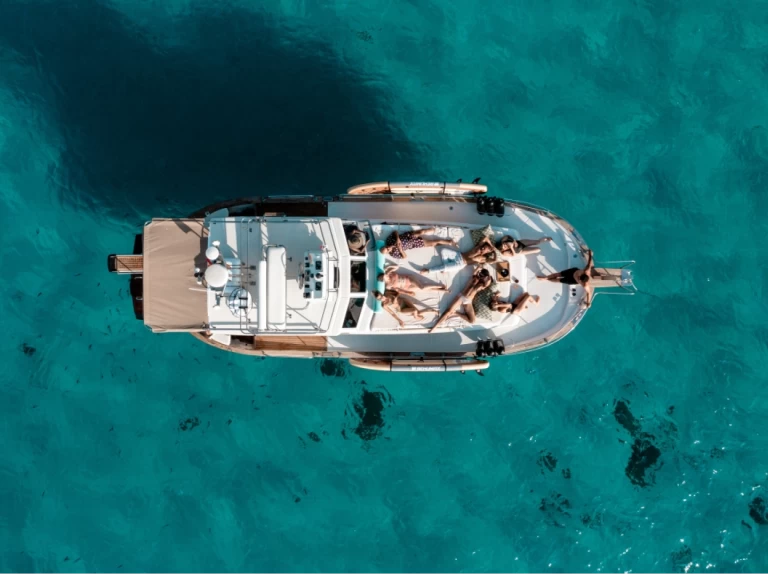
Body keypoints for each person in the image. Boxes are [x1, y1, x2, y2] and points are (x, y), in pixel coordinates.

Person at [429, 267, 493, 333]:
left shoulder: (482, 285)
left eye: (483, 276)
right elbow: (475, 272)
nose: (481, 277)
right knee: (448, 311)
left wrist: (488, 277)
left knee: (472, 321)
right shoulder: (475, 278)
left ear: (486, 277)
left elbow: (488, 282)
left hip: (468, 302)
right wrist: (478, 269)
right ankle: (435, 327)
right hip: (461, 296)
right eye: (481, 274)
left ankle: (456, 313)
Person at [420, 236, 497, 274]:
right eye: (483, 246)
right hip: (458, 255)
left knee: (444, 267)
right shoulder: (478, 246)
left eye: (485, 248)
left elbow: (494, 260)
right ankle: (447, 268)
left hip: (461, 264)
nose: (483, 248)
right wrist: (491, 245)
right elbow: (486, 238)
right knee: (443, 250)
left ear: (488, 251)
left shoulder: (483, 258)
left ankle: (428, 271)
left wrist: (494, 252)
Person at [372, 289, 437, 328]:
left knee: (418, 312)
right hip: (401, 309)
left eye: (381, 296)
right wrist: (400, 321)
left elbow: (397, 293)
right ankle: (419, 316)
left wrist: (396, 298)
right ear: (379, 300)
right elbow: (392, 313)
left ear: (381, 294)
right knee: (414, 311)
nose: (382, 298)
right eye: (380, 298)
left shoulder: (387, 293)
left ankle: (432, 311)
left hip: (404, 301)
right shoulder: (384, 305)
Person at [380, 228, 457, 260]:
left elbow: (395, 231)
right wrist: (400, 250)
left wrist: (397, 239)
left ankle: (435, 229)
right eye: (387, 249)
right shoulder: (393, 254)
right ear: (387, 252)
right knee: (433, 243)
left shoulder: (388, 240)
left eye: (386, 247)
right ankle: (449, 242)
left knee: (421, 232)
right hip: (413, 244)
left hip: (408, 236)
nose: (388, 247)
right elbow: (404, 257)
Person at [379, 266, 447, 294]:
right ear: (383, 280)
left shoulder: (390, 274)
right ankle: (442, 290)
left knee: (422, 287)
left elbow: (397, 266)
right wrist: (407, 293)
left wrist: (387, 269)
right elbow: (397, 290)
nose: (386, 276)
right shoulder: (388, 286)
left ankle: (440, 286)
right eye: (384, 277)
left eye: (385, 275)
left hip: (409, 279)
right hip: (407, 287)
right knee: (424, 289)